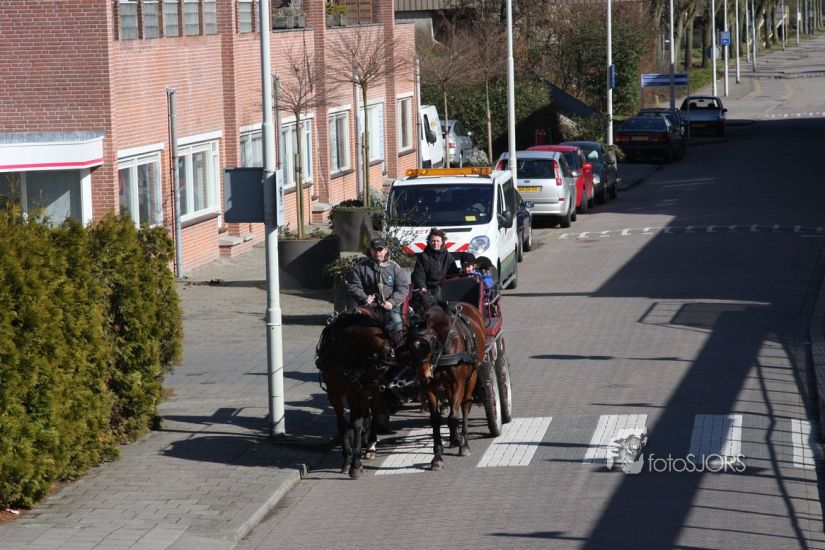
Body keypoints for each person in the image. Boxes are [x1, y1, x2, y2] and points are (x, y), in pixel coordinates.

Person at [346, 237, 410, 346]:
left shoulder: (394, 267)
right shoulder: (361, 267)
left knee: (397, 323)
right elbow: (353, 285)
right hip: (368, 306)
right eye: (375, 249)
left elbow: (403, 288)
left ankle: (399, 350)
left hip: (390, 307)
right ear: (370, 251)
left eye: (380, 249)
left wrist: (392, 302)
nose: (378, 252)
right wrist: (364, 297)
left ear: (386, 250)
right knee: (355, 327)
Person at [411, 228, 459, 305]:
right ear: (429, 242)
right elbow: (419, 275)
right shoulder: (423, 256)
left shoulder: (448, 257)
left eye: (437, 241)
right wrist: (422, 287)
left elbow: (454, 275)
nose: (435, 243)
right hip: (427, 289)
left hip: (444, 288)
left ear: (442, 242)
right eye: (433, 241)